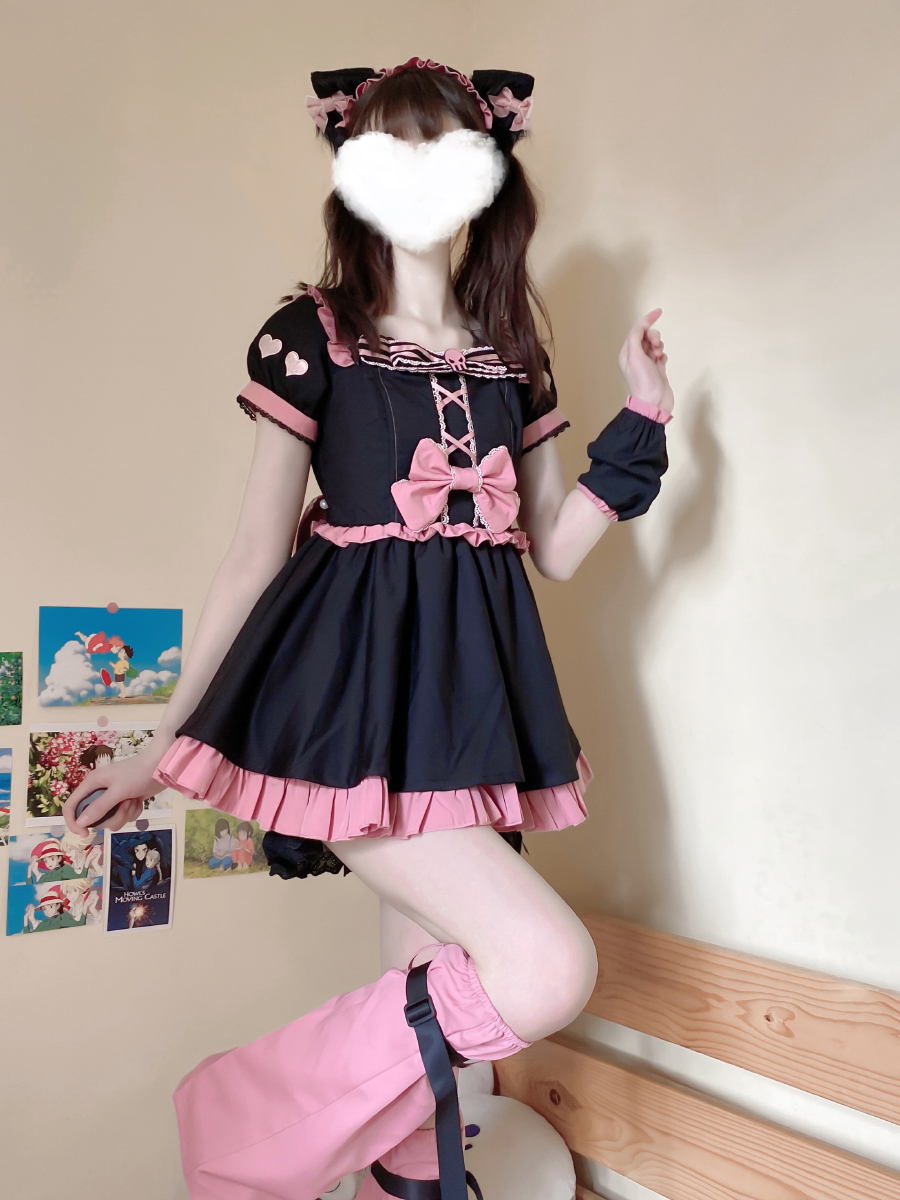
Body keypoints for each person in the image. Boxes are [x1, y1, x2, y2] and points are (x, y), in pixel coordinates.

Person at [64, 59, 673, 1200]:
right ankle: (237, 1120)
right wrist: (161, 746)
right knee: (546, 968)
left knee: (432, 973)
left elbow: (552, 546)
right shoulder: (314, 334)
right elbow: (252, 558)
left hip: (474, 711)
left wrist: (643, 416)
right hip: (344, 711)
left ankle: (411, 1174)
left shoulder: (513, 354)